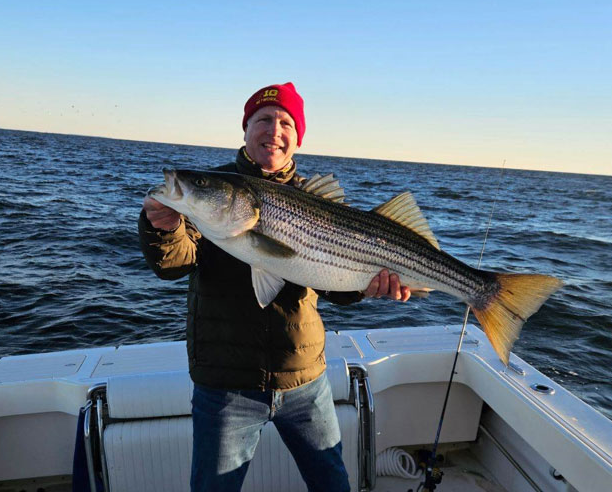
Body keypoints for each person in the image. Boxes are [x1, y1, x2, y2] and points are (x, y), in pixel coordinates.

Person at [139, 82, 410, 492]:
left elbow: (337, 286)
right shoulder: (214, 194)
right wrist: (163, 228)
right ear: (246, 129)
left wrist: (367, 286)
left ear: (297, 138)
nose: (274, 130)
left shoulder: (318, 201)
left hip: (304, 379)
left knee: (333, 485)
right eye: (263, 119)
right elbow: (175, 262)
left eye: (285, 122)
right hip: (225, 385)